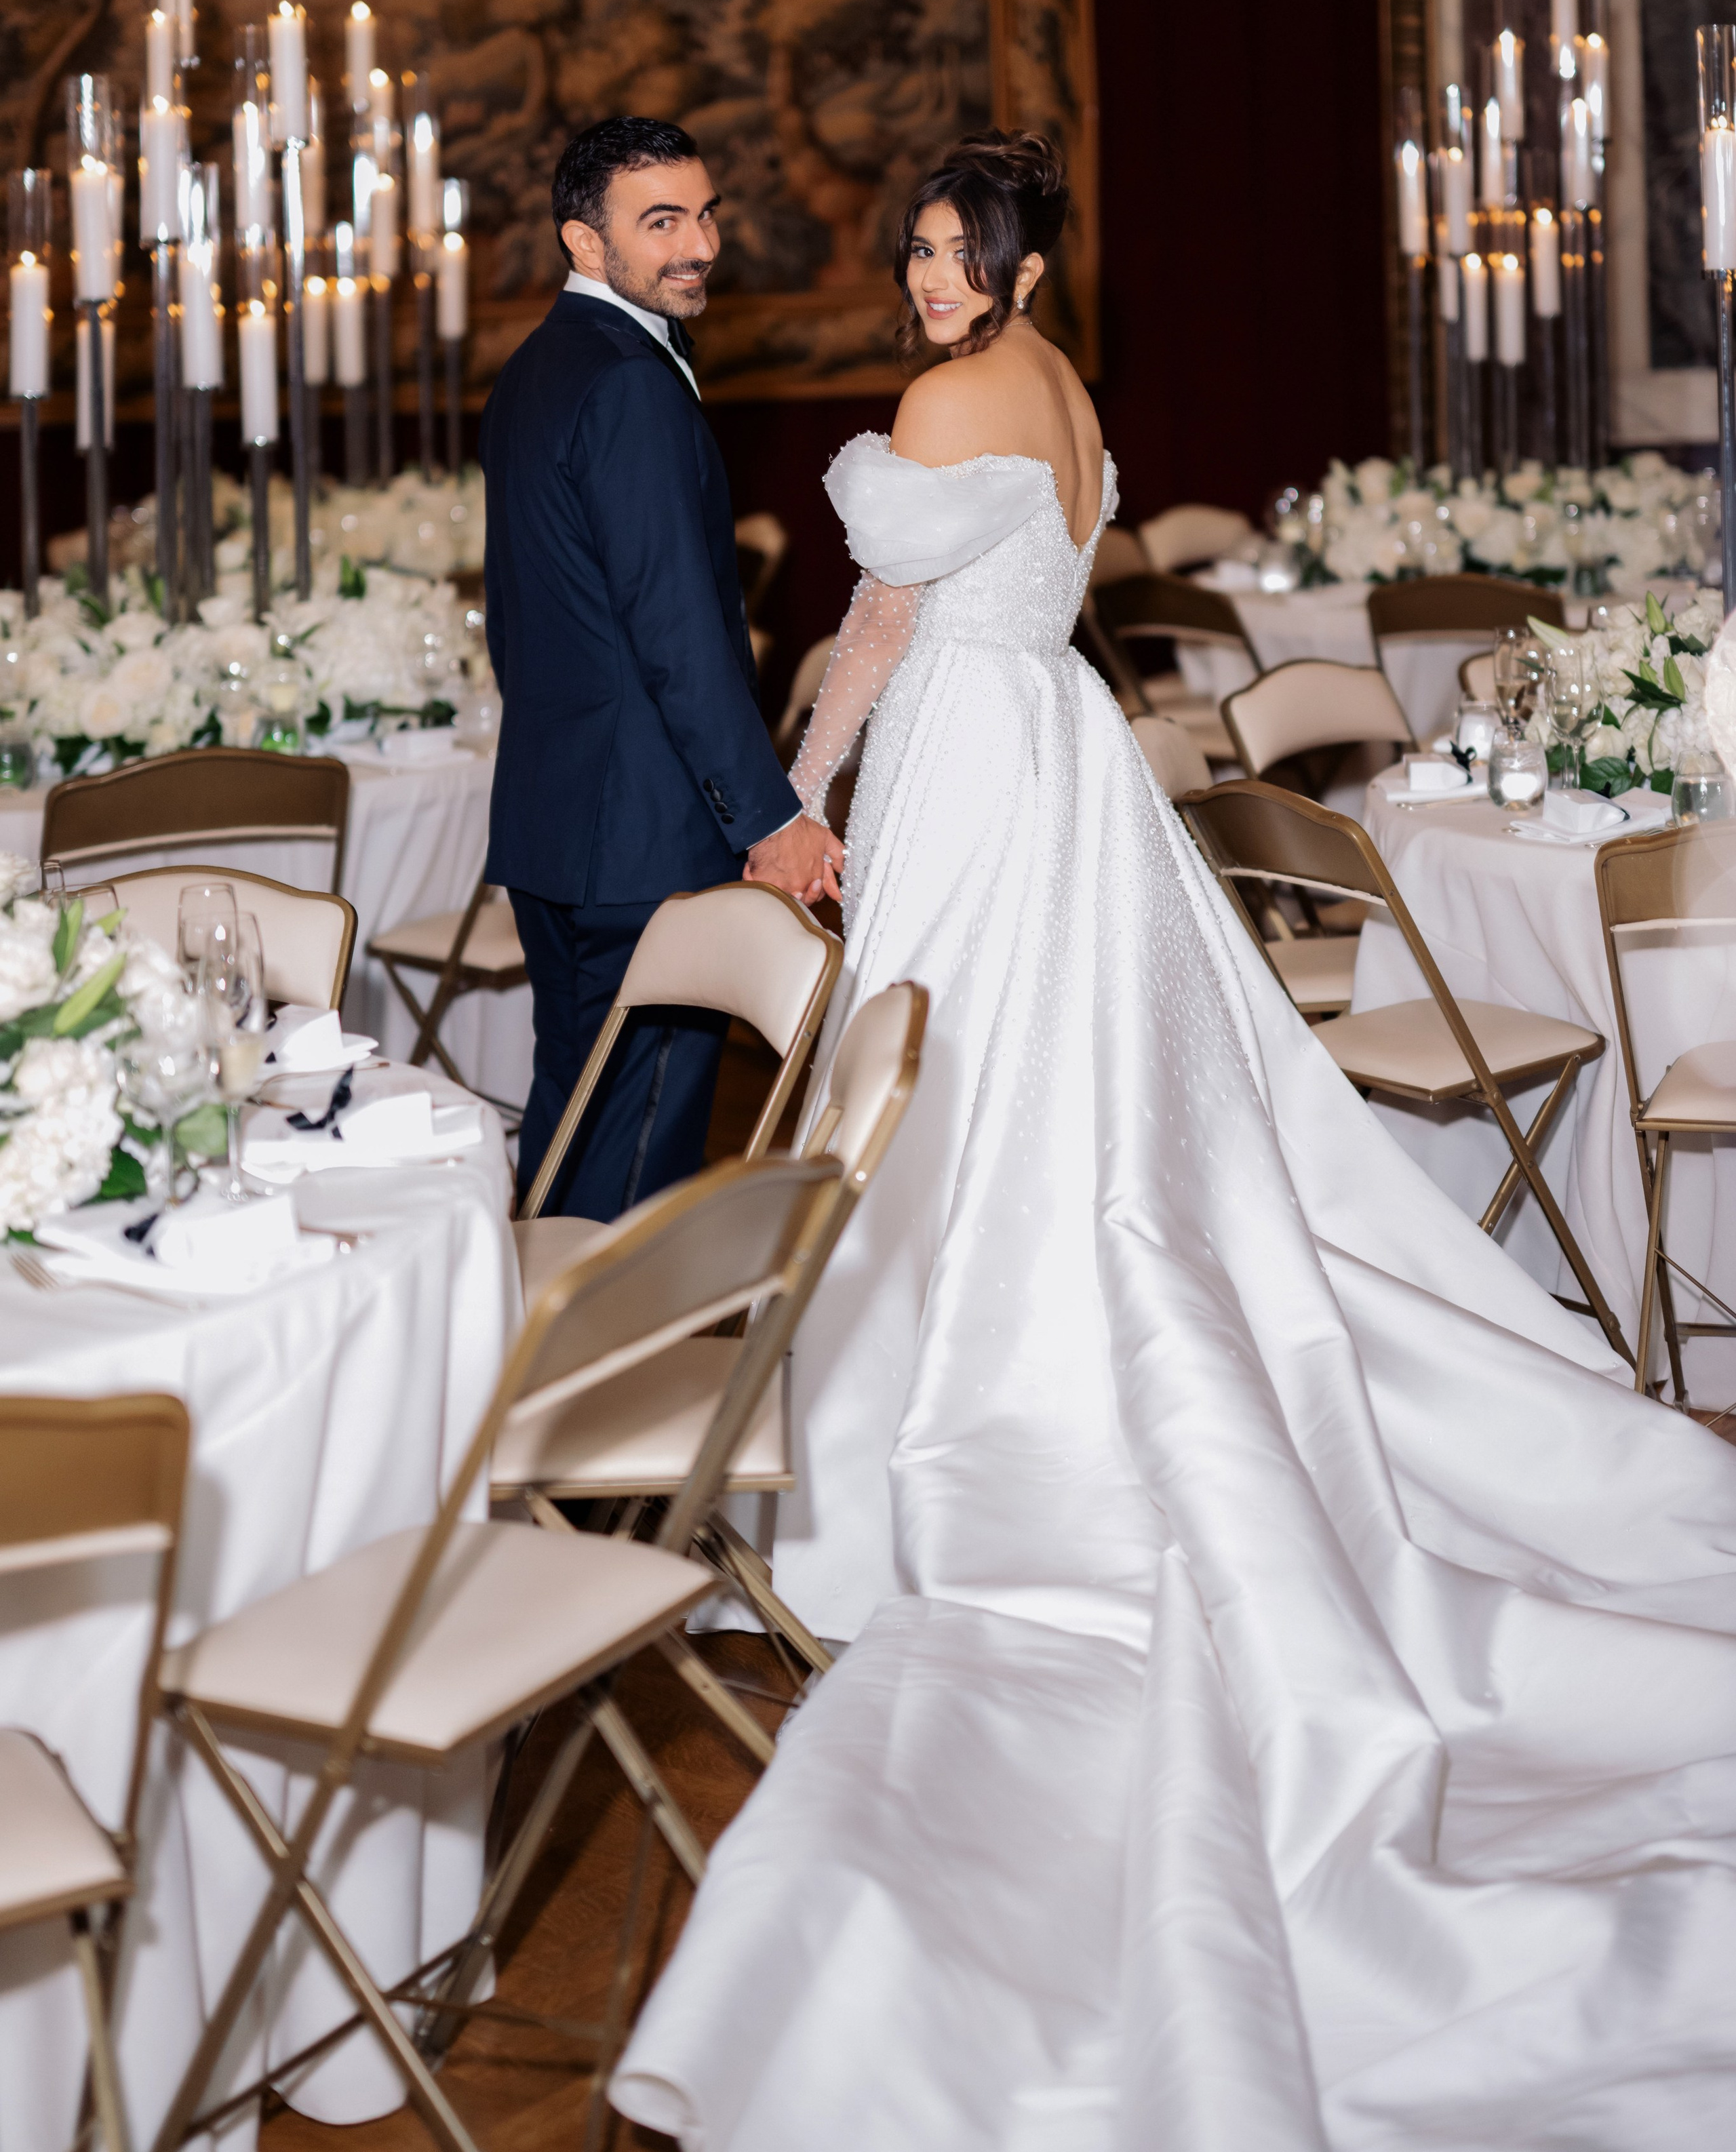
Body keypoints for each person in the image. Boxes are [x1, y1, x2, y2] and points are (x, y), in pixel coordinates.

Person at [614, 130, 1736, 2148]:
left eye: (958, 256)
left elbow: (875, 624)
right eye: (921, 258)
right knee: (1080, 1085)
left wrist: (798, 788)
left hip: (973, 754)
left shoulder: (949, 401)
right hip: (1062, 753)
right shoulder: (1072, 400)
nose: (931, 283)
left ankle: (919, 1455)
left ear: (1022, 268)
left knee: (954, 1087)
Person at [481, 116, 843, 1220]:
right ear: (585, 244)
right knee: (636, 1168)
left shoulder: (538, 368)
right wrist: (768, 816)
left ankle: (531, 1368)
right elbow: (677, 631)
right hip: (640, 842)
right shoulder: (630, 381)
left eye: (705, 213)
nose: (700, 245)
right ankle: (610, 1382)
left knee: (576, 1115)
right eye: (662, 222)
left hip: (561, 827)